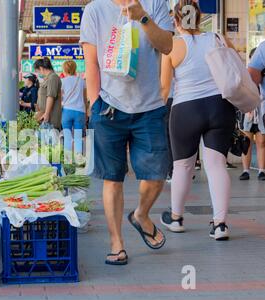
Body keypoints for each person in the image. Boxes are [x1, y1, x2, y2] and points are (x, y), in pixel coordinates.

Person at [81, 0, 174, 265]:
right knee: (112, 178)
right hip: (109, 107)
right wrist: (95, 102)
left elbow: (167, 46)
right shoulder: (95, 10)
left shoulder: (155, 3)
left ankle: (141, 214)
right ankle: (116, 243)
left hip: (150, 107)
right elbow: (91, 64)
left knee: (157, 174)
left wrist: (142, 17)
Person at [160, 0, 237, 241]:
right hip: (220, 107)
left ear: (175, 20)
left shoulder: (172, 46)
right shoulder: (218, 38)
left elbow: (164, 89)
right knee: (216, 165)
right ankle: (221, 224)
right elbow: (235, 68)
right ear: (200, 16)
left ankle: (176, 218)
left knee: (182, 165)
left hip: (186, 110)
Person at [244, 45, 265, 181]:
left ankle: (261, 170)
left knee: (261, 140)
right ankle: (246, 170)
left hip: (260, 108)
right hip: (250, 110)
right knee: (247, 139)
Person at [61, 60, 87, 154]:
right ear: (75, 68)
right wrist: (87, 112)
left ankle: (68, 160)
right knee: (78, 137)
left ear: (64, 69)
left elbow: (60, 98)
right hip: (80, 111)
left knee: (67, 136)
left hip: (67, 111)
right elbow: (85, 98)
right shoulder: (82, 81)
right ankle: (78, 158)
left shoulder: (62, 81)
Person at [34, 57, 62, 130]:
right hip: (43, 115)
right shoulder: (47, 79)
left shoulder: (53, 77)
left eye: (37, 71)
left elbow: (50, 96)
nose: (38, 73)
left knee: (51, 139)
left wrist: (46, 113)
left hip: (50, 118)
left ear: (41, 68)